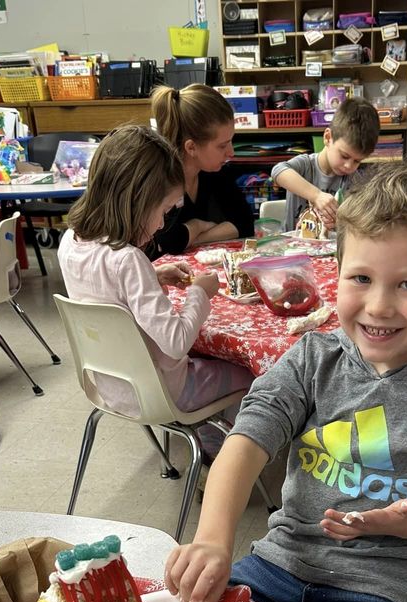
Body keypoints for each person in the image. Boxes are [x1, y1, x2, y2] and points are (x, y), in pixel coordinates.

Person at [164, 162, 407, 602]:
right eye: (361, 278)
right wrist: (212, 540)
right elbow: (247, 441)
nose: (378, 305)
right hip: (279, 564)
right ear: (335, 273)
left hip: (382, 592)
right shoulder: (314, 357)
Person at [58, 124, 253, 422]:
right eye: (163, 211)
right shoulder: (128, 260)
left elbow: (104, 291)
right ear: (136, 201)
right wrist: (200, 293)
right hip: (162, 392)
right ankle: (217, 447)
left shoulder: (70, 241)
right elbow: (177, 342)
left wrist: (154, 274)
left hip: (111, 387)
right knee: (251, 373)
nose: (163, 224)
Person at [147, 84, 254, 257]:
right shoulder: (161, 182)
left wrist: (192, 237)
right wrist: (198, 225)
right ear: (191, 147)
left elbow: (244, 224)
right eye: (222, 145)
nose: (231, 152)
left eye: (231, 141)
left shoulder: (215, 172)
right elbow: (167, 241)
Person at [271, 97, 381, 233]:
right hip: (293, 249)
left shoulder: (355, 179)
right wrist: (316, 195)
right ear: (328, 138)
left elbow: (357, 223)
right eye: (344, 156)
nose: (349, 166)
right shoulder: (306, 165)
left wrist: (339, 222)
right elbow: (278, 171)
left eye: (357, 161)